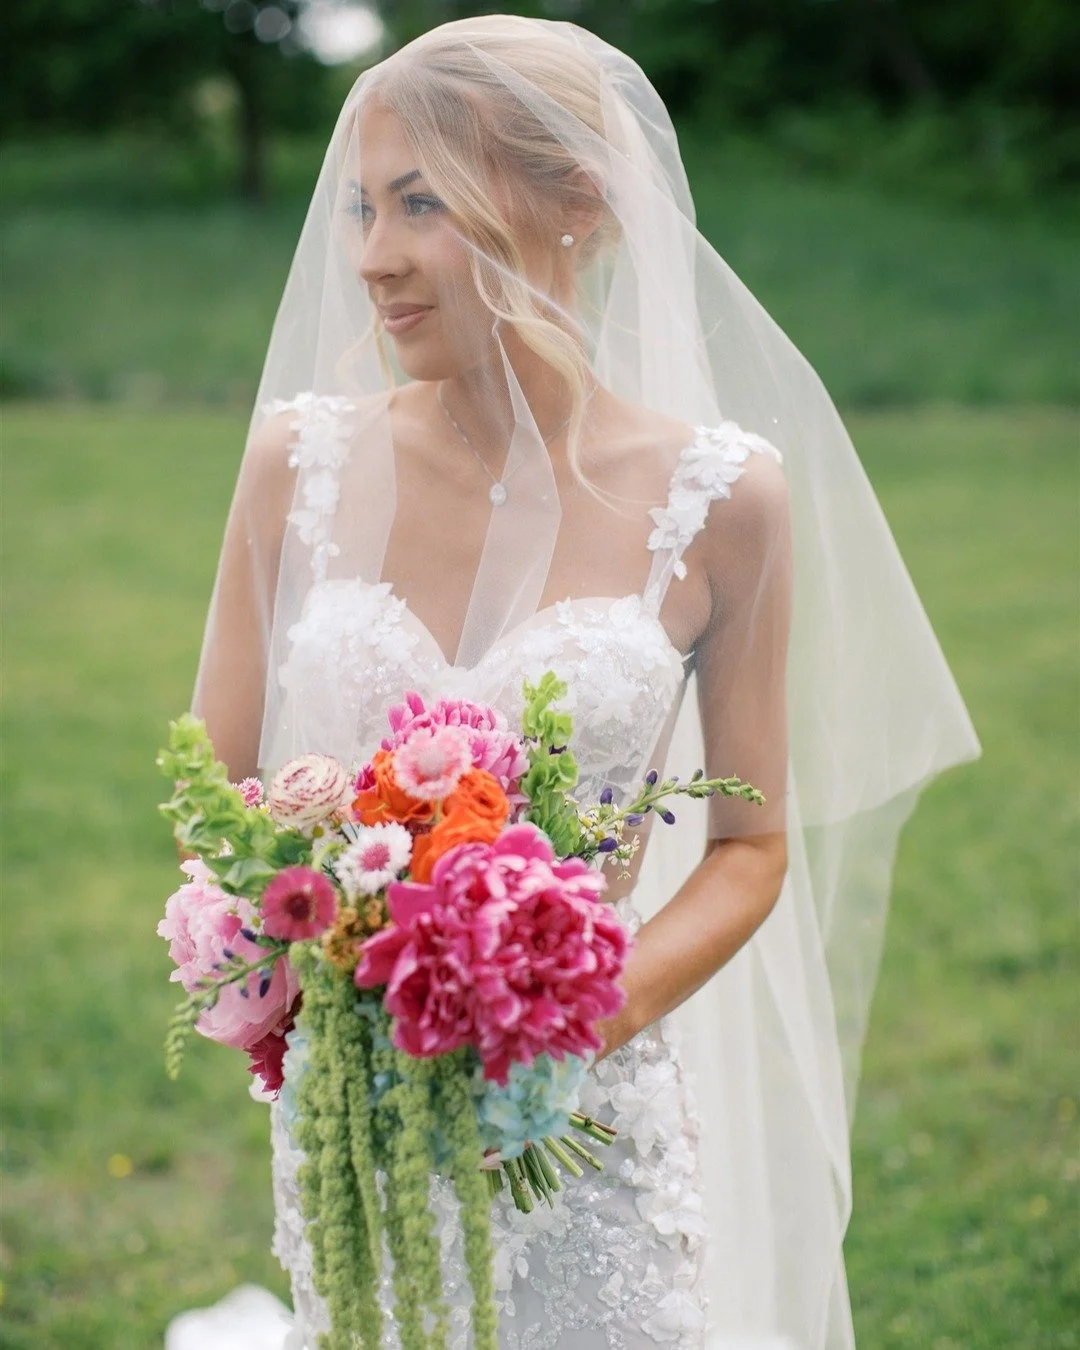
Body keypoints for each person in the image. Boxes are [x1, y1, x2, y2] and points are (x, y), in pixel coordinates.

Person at [164, 15, 980, 1350]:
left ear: (579, 206)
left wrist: (576, 1014)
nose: (370, 256)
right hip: (361, 1107)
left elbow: (753, 843)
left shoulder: (724, 499)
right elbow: (216, 782)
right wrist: (302, 931)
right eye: (365, 206)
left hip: (581, 1113)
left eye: (420, 203)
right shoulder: (295, 464)